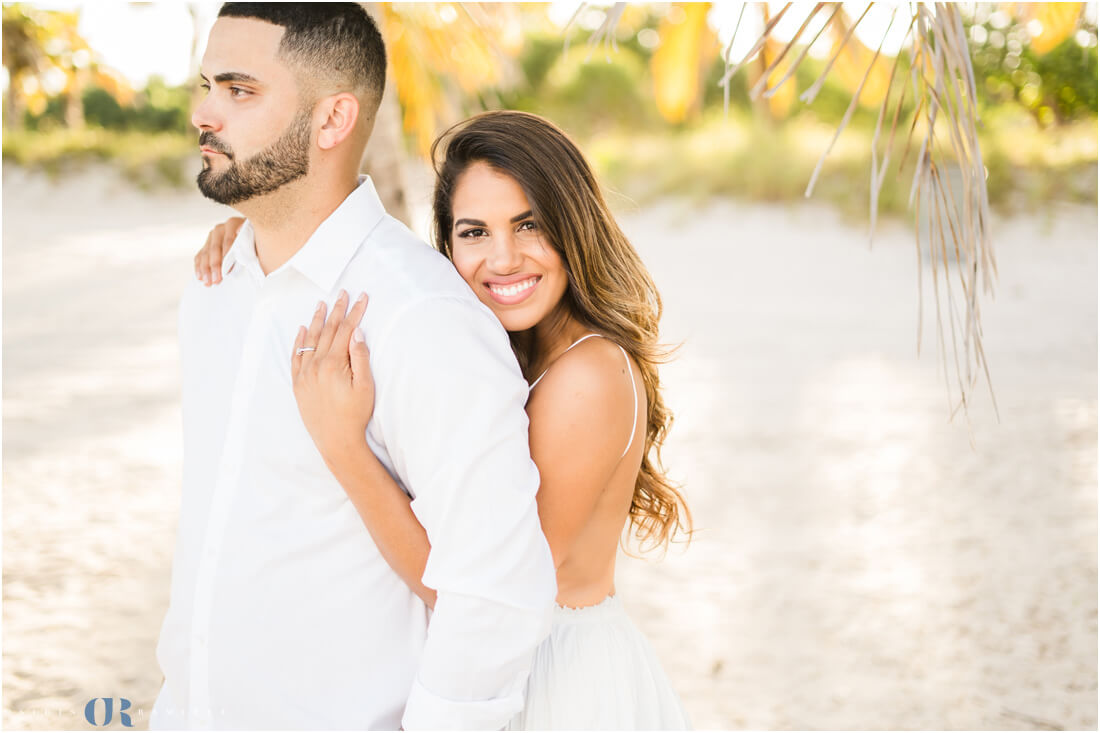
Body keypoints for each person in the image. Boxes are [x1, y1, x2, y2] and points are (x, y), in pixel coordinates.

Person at [194, 109, 693, 729]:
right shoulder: (513, 350)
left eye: (529, 224)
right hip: (501, 670)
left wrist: (343, 446)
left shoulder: (586, 377)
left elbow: (487, 591)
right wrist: (256, 237)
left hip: (554, 680)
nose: (503, 259)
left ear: (576, 225)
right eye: (474, 233)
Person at [151, 5, 557, 730]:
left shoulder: (421, 317)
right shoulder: (213, 287)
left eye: (240, 90)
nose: (203, 112)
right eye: (208, 84)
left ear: (333, 119)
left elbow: (494, 592)